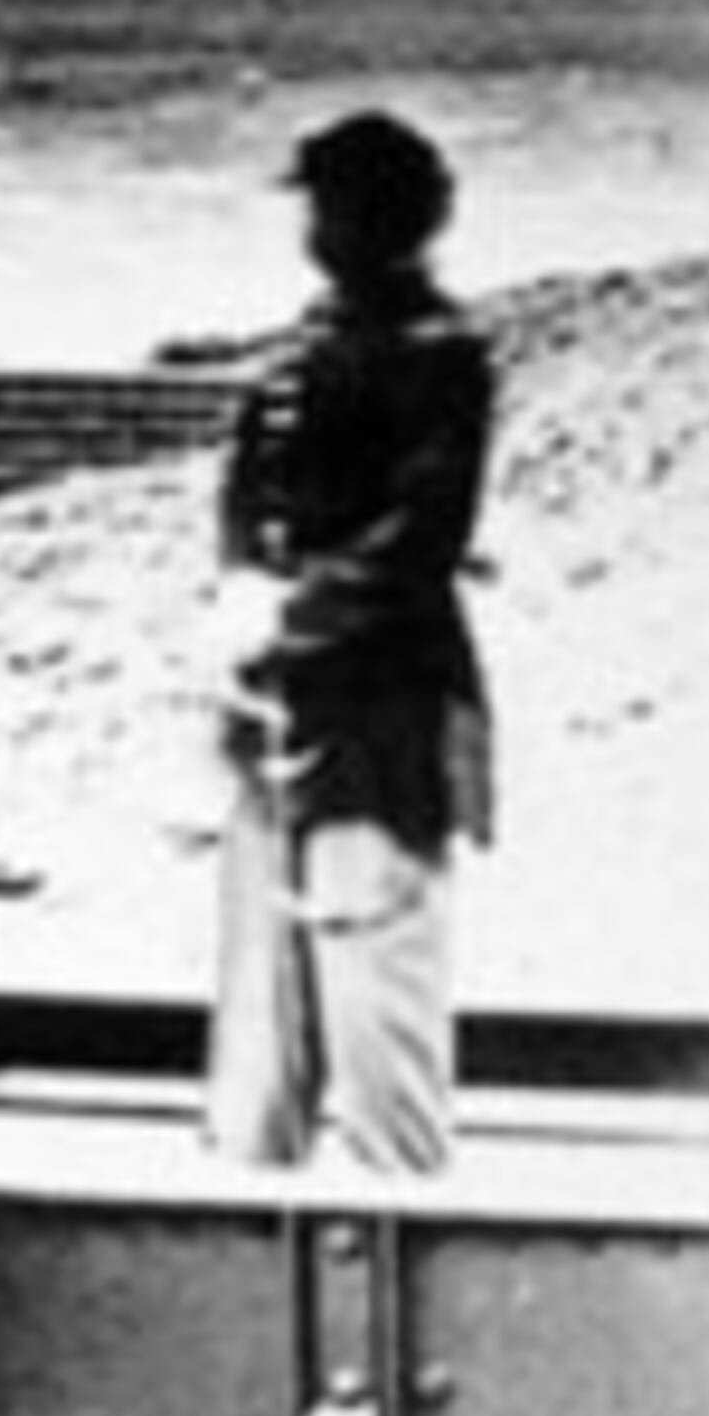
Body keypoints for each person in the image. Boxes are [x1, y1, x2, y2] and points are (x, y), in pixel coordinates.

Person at [202, 111, 495, 1176]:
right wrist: (238, 586)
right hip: (275, 714)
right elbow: (249, 490)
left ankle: (394, 1229)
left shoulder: (439, 357)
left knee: (378, 1024)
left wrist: (291, 611)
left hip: (379, 717)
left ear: (391, 222)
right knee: (259, 1033)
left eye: (334, 210)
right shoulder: (309, 349)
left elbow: (420, 537)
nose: (318, 232)